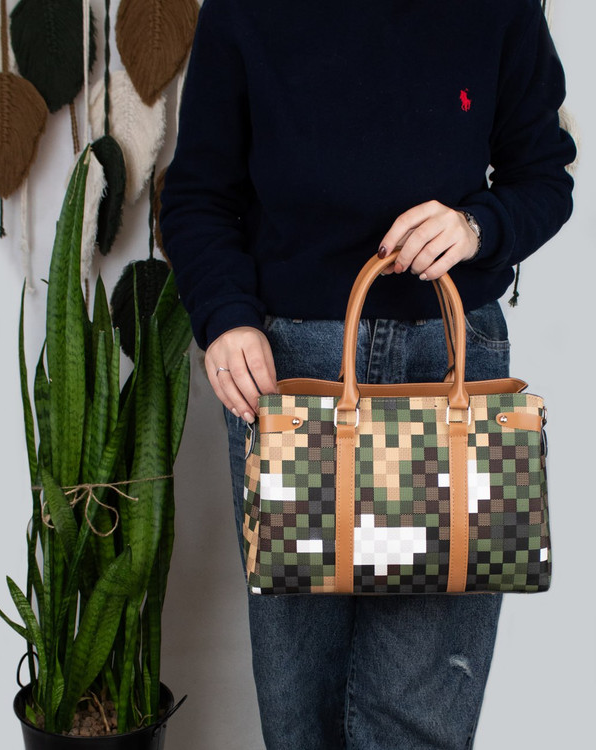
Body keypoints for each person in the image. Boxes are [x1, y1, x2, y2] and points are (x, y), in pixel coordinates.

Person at [160, 0, 576, 747]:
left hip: (451, 360)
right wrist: (225, 317)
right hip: (291, 374)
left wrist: (475, 227)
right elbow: (197, 194)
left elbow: (544, 174)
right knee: (299, 708)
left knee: (423, 717)